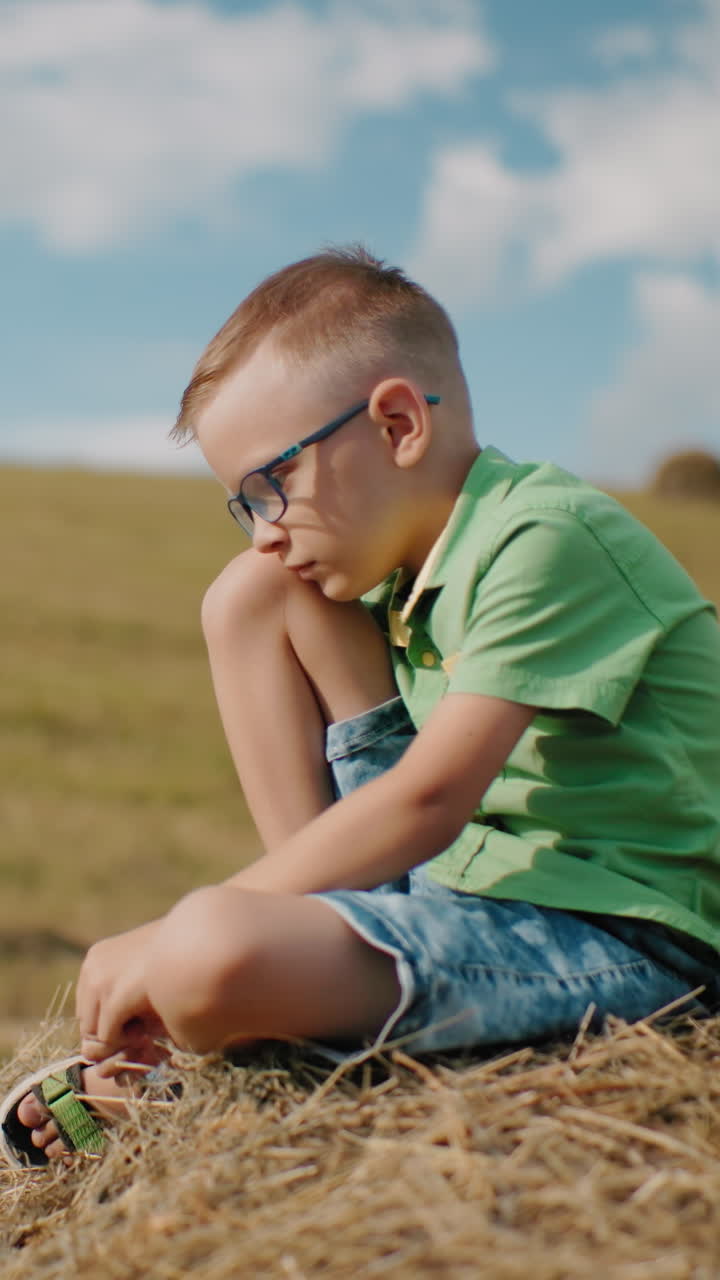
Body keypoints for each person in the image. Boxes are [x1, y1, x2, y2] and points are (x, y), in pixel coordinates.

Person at [7, 246, 720, 1164]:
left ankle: (224, 1032)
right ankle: (271, 990)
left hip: (635, 939)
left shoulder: (546, 538)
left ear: (395, 425)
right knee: (249, 597)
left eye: (275, 486)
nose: (267, 531)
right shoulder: (404, 564)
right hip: (479, 891)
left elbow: (428, 800)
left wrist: (181, 931)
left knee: (203, 947)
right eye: (243, 504)